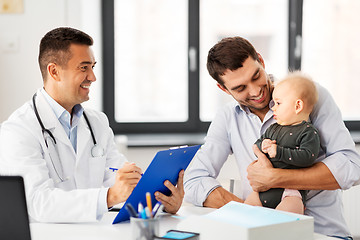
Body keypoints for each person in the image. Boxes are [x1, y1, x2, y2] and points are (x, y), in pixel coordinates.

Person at [0, 27, 183, 223]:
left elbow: (119, 178)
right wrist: (109, 196)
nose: (92, 77)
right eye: (84, 67)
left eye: (93, 67)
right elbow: (38, 202)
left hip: (94, 232)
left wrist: (160, 199)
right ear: (54, 71)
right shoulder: (18, 130)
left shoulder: (97, 123)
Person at [183, 36, 360, 239]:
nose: (256, 91)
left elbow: (351, 166)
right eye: (240, 88)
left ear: (261, 60)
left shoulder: (309, 96)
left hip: (321, 234)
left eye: (256, 75)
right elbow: (194, 179)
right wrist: (254, 214)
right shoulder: (228, 117)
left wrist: (276, 178)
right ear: (223, 89)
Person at [244, 72, 320, 214]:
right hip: (263, 191)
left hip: (289, 193)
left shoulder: (308, 132)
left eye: (278, 103)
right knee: (245, 213)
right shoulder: (273, 128)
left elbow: (308, 157)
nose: (273, 107)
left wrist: (278, 152)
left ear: (298, 106)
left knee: (283, 225)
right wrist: (263, 145)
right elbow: (257, 143)